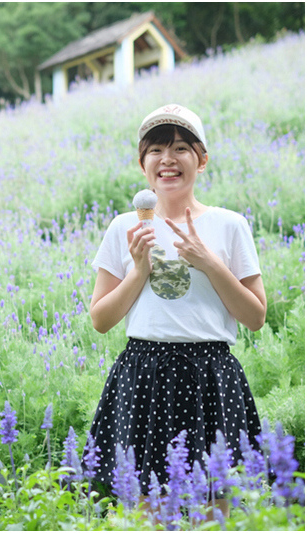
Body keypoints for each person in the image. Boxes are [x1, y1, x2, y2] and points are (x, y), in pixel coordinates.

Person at [88, 104, 266, 516]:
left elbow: (255, 316)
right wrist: (138, 270)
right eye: (156, 150)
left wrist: (208, 262)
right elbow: (101, 320)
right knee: (147, 504)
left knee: (212, 505)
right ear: (142, 163)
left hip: (211, 373)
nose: (167, 159)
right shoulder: (123, 228)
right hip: (144, 371)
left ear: (201, 160)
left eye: (181, 148)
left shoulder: (229, 225)